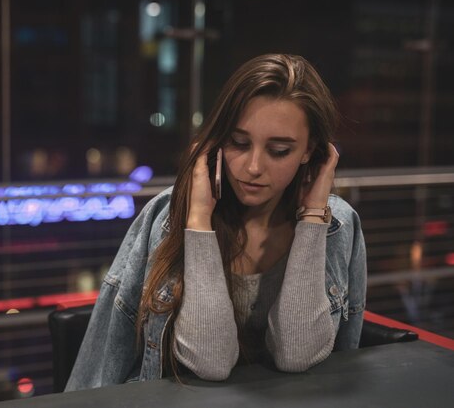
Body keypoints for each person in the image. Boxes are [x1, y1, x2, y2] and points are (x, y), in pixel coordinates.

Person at [65, 53, 367, 391]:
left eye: (279, 150)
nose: (253, 167)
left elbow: (296, 355)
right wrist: (198, 220)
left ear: (310, 151)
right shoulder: (166, 218)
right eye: (238, 143)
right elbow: (211, 363)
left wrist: (313, 217)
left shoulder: (337, 225)